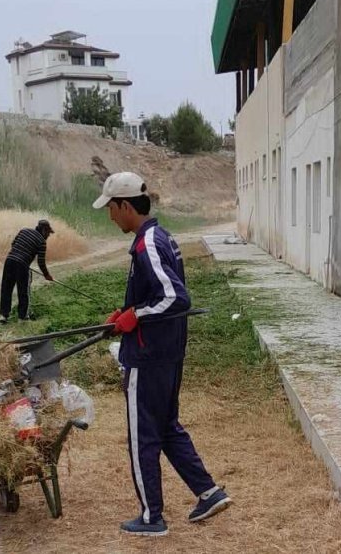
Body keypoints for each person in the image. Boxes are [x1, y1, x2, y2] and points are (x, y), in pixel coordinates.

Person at [93, 172, 231, 537]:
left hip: (149, 356)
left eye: (111, 209)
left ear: (125, 206)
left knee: (143, 436)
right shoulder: (160, 235)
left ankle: (152, 517)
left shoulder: (146, 244)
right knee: (166, 427)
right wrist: (124, 313)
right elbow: (158, 295)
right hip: (167, 352)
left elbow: (175, 297)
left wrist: (135, 316)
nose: (110, 217)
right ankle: (208, 492)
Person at [0, 219, 55, 324]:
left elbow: (13, 244)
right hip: (22, 265)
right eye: (48, 232)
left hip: (10, 261)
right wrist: (47, 275)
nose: (48, 235)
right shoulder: (42, 242)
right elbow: (41, 262)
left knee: (6, 288)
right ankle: (22, 317)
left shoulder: (24, 231)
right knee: (23, 291)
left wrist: (21, 259)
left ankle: (4, 315)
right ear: (43, 230)